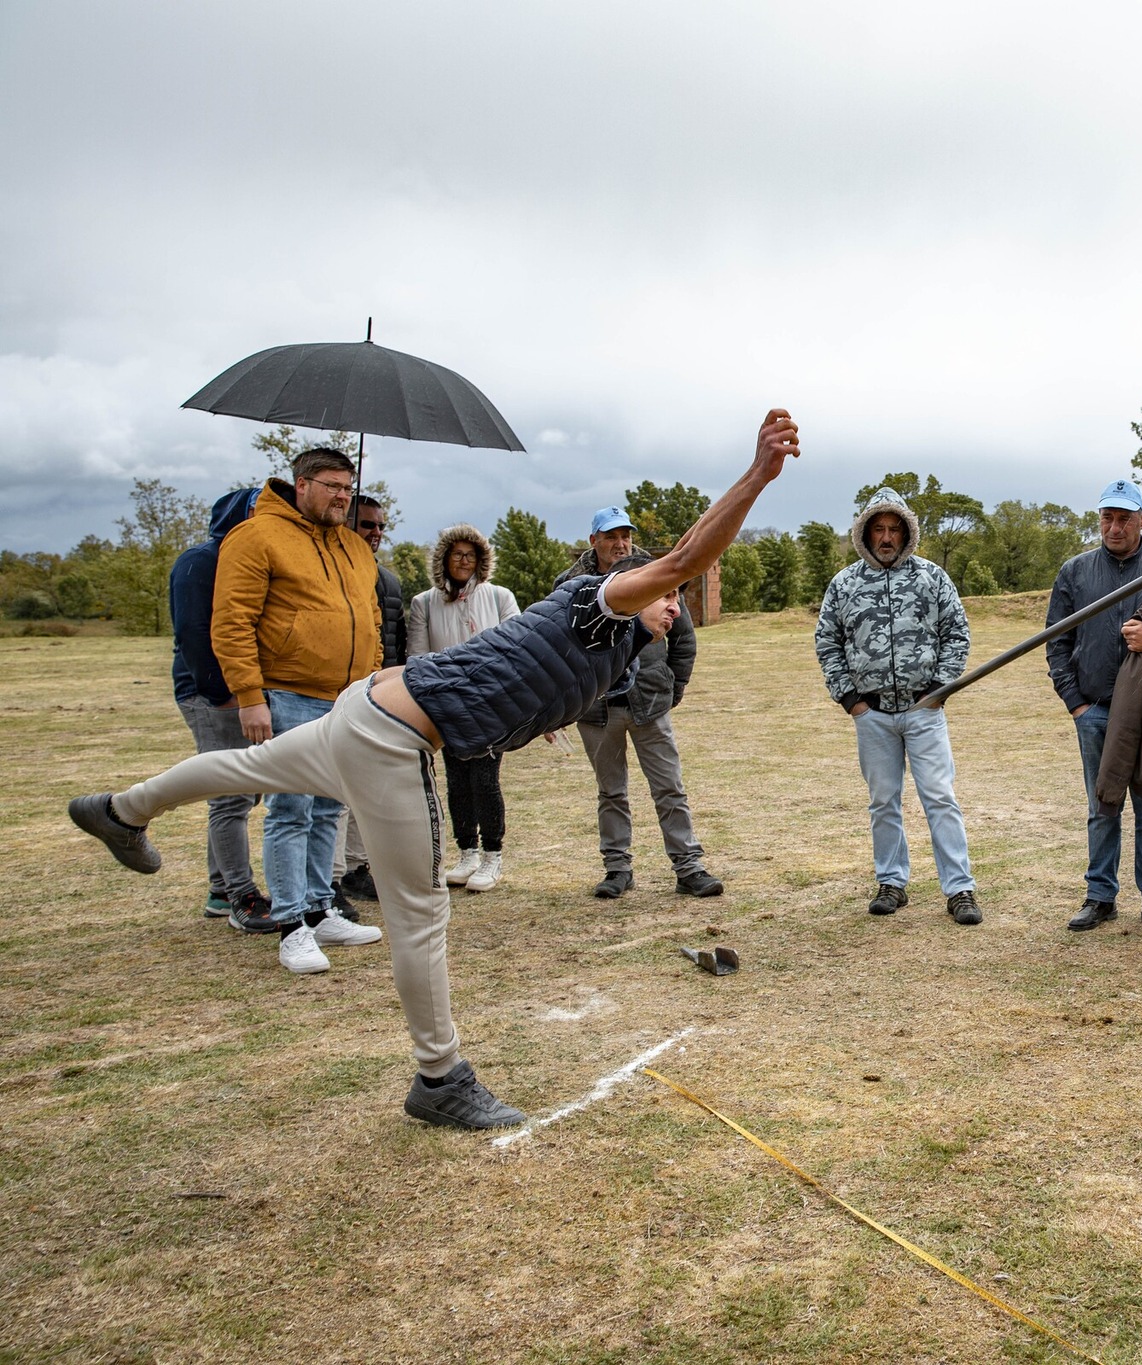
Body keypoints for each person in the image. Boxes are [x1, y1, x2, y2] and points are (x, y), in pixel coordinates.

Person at [68, 409, 800, 1130]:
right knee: (420, 912)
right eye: (667, 597)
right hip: (392, 735)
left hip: (369, 706)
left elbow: (537, 669)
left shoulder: (606, 644)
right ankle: (440, 1076)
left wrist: (533, 714)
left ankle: (123, 809)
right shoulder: (598, 603)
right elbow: (681, 557)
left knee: (252, 765)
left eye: (674, 600)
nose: (674, 606)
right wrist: (759, 474)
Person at [212, 447, 386, 973]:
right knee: (291, 810)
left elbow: (372, 618)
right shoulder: (256, 537)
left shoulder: (356, 547)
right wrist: (249, 695)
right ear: (301, 483)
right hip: (286, 693)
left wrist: (370, 681)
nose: (341, 496)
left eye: (348, 487)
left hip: (347, 697)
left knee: (330, 806)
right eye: (332, 485)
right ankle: (291, 926)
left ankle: (320, 906)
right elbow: (232, 621)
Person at [814, 488, 980, 923]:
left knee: (940, 797)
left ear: (906, 532)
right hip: (872, 715)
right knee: (883, 801)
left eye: (894, 529)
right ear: (865, 535)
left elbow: (957, 633)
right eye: (878, 529)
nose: (886, 537)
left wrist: (941, 690)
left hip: (924, 710)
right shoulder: (844, 584)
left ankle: (960, 889)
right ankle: (891, 882)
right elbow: (827, 641)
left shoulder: (932, 577)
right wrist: (851, 701)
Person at [1048, 480, 1142, 932]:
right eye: (1107, 518)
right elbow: (1057, 642)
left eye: (1124, 518)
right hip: (1095, 710)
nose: (1114, 528)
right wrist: (1075, 703)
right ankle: (1100, 897)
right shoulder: (1074, 572)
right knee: (1104, 804)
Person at [556, 507, 722, 900]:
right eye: (611, 536)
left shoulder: (656, 574)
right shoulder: (572, 585)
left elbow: (683, 637)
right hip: (595, 707)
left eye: (625, 535)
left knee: (669, 788)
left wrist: (672, 686)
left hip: (649, 700)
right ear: (593, 540)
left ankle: (688, 866)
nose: (621, 543)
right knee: (610, 791)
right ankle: (617, 869)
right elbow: (560, 647)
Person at [168, 487, 275, 930]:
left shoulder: (248, 561)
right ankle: (240, 896)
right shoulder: (200, 562)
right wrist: (224, 695)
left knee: (244, 791)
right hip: (211, 693)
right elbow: (194, 633)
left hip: (242, 690)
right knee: (230, 795)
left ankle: (219, 889)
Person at [407, 523, 520, 892]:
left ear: (480, 560)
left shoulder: (499, 596)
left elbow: (517, 649)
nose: (463, 561)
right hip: (447, 704)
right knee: (457, 783)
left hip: (490, 705)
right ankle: (467, 851)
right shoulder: (424, 603)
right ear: (444, 558)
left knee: (485, 781)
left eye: (470, 555)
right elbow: (419, 658)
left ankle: (492, 854)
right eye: (456, 555)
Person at [332, 493, 408, 906]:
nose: (376, 533)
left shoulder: (389, 581)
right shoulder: (330, 575)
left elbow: (395, 642)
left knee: (371, 787)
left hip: (378, 695)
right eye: (366, 525)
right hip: (334, 694)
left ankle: (358, 867)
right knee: (335, 789)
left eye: (380, 526)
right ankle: (330, 877)